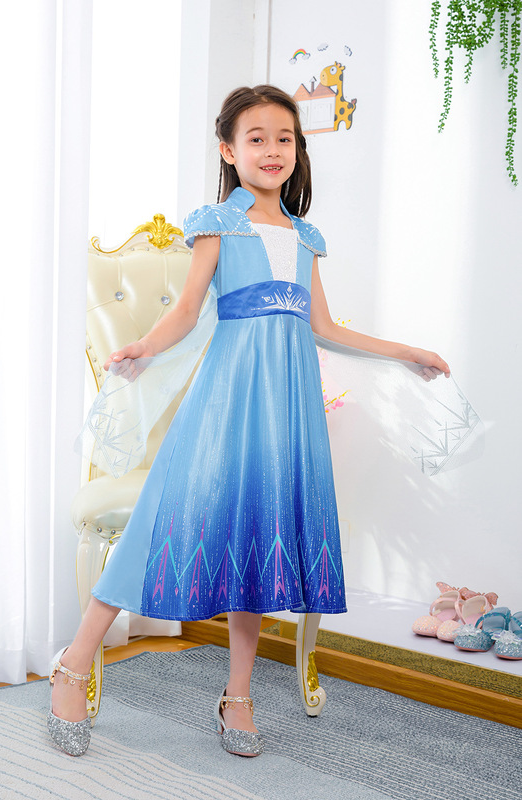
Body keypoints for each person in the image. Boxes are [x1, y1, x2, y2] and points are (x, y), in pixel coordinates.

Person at [47, 85, 450, 759]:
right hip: (227, 401)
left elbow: (324, 327)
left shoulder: (304, 236)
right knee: (159, 524)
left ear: (298, 150)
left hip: (287, 408)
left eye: (283, 138)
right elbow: (185, 310)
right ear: (228, 151)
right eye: (255, 138)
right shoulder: (218, 224)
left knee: (257, 539)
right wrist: (144, 345)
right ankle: (73, 663)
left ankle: (238, 695)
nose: (271, 150)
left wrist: (405, 352)